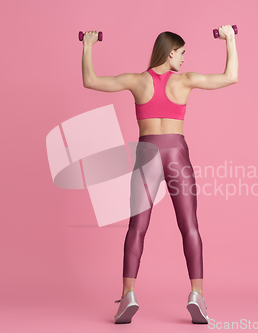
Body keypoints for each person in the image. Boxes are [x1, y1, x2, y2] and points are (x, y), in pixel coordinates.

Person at [81, 25, 238, 324]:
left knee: (137, 228)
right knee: (189, 226)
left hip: (147, 153)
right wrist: (229, 39)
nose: (183, 60)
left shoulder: (138, 81)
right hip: (176, 153)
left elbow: (90, 80)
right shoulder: (186, 82)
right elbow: (231, 76)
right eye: (181, 53)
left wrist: (88, 45)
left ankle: (128, 294)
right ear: (169, 53)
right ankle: (197, 296)